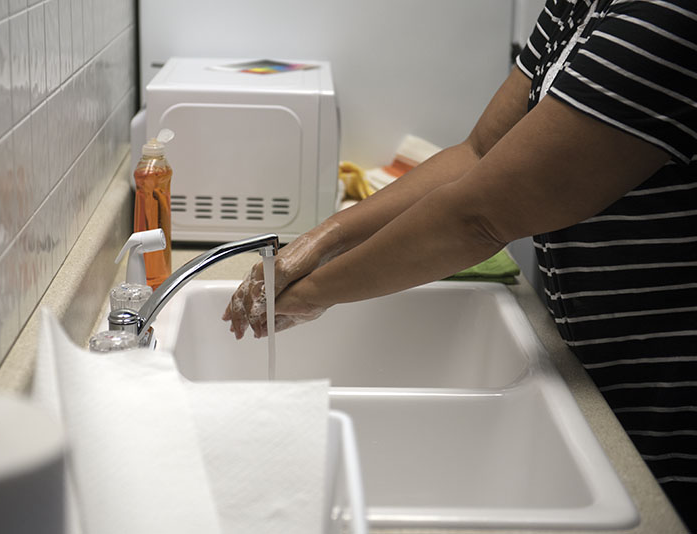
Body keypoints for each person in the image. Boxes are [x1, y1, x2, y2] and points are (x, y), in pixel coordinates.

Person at [223, 0, 697, 529]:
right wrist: (321, 241)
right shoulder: (581, 4)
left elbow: (478, 217)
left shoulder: (669, 17)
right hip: (599, 365)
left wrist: (315, 291)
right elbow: (477, 153)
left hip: (666, 400)